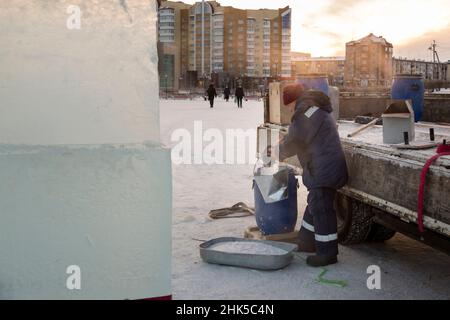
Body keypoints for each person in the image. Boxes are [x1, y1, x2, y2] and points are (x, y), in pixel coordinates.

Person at [271, 84, 348, 267]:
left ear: (293, 101)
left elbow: (296, 139)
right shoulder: (312, 109)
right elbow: (297, 135)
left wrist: (277, 151)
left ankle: (327, 253)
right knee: (316, 203)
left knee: (322, 209)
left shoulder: (307, 113)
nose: (289, 109)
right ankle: (306, 241)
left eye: (288, 105)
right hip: (322, 165)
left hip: (324, 167)